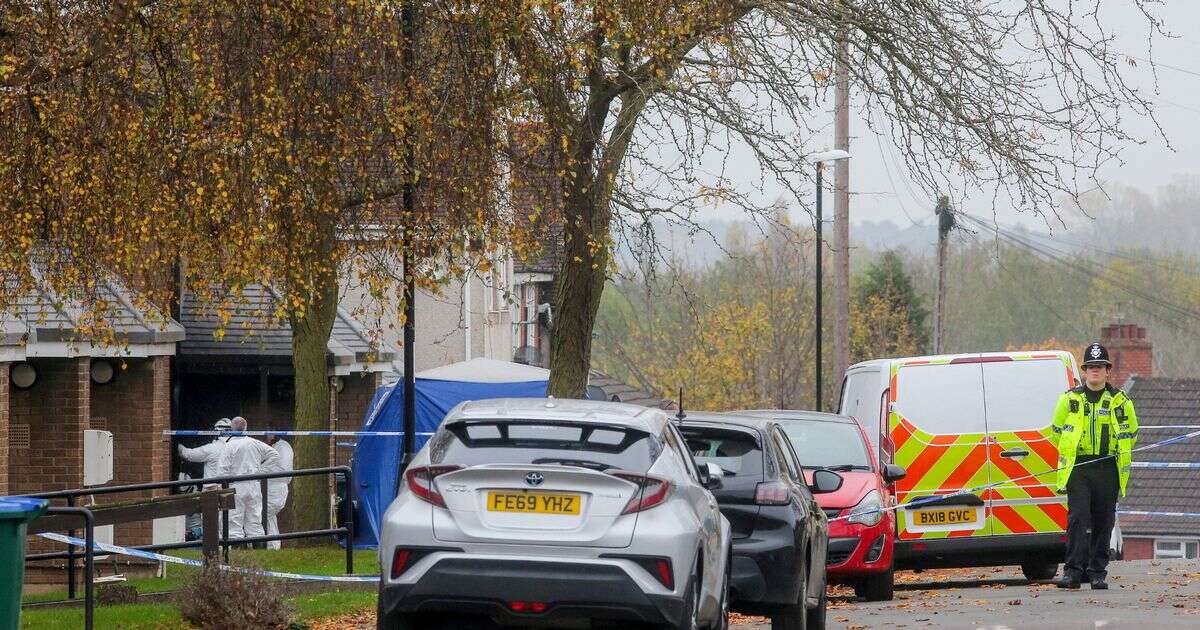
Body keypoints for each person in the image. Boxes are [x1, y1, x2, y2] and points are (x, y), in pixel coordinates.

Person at [1051, 342, 1138, 590]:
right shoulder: (1070, 400)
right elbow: (1056, 433)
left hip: (1108, 468)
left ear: (1108, 370)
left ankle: (1097, 571)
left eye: (1100, 366)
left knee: (1104, 520)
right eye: (1091, 367)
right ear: (1084, 371)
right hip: (1079, 468)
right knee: (1078, 518)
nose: (1095, 371)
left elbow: (1131, 434)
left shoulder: (1121, 402)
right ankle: (1072, 572)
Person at [217, 416, 281, 544]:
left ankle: (236, 554)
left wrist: (221, 486)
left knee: (234, 522)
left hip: (234, 486)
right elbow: (275, 455)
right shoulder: (254, 443)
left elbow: (222, 470)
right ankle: (260, 554)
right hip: (253, 485)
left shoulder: (229, 446)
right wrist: (260, 472)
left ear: (231, 429)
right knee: (255, 521)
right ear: (246, 428)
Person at [177, 418, 233, 486]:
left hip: (213, 489)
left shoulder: (212, 448)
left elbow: (188, 454)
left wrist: (176, 444)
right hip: (232, 490)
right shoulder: (236, 447)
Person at [264, 432, 294, 550]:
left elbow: (283, 471)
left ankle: (270, 545)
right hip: (273, 488)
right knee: (268, 516)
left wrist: (261, 469)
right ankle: (272, 546)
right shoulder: (278, 447)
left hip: (276, 490)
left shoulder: (283, 447)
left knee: (263, 514)